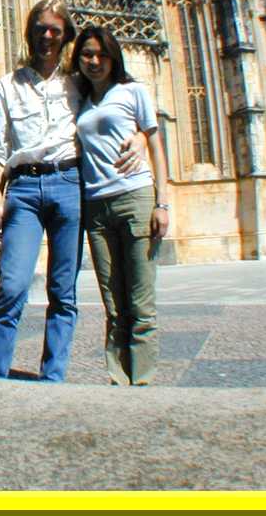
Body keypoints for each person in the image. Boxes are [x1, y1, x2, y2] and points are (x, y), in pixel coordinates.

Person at [0, 0, 145, 381]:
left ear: (65, 34)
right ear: (30, 33)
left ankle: (53, 377)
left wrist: (140, 136)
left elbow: (123, 102)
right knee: (13, 285)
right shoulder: (8, 85)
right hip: (23, 188)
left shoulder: (79, 82)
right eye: (40, 29)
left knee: (63, 291)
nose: (47, 36)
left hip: (70, 183)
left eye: (55, 29)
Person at [71, 25, 170, 385]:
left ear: (114, 56)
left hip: (135, 197)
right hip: (96, 206)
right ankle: (118, 380)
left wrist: (163, 203)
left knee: (141, 301)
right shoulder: (81, 100)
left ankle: (141, 382)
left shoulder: (133, 91)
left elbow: (157, 144)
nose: (94, 61)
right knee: (113, 304)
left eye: (101, 54)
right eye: (86, 54)